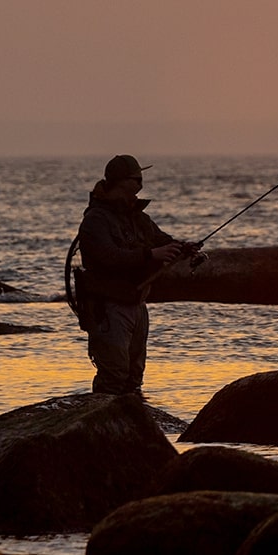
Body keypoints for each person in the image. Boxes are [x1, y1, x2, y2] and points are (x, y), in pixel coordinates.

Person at [76, 154, 195, 395]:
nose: (140, 186)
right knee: (114, 375)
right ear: (120, 182)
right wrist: (150, 255)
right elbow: (108, 257)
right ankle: (102, 427)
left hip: (137, 303)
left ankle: (132, 427)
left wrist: (183, 248)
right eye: (135, 181)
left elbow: (162, 241)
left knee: (134, 375)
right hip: (108, 308)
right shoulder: (95, 221)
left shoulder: (138, 218)